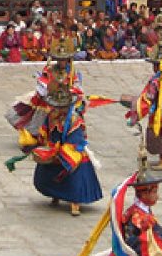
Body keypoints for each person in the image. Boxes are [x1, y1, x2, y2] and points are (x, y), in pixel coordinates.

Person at [7, 75, 103, 217]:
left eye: (60, 107)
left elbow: (76, 140)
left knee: (73, 177)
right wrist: (37, 144)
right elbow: (44, 133)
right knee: (47, 173)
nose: (56, 109)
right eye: (55, 106)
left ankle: (74, 203)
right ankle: (55, 195)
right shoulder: (51, 116)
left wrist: (61, 152)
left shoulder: (74, 120)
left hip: (71, 151)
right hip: (54, 149)